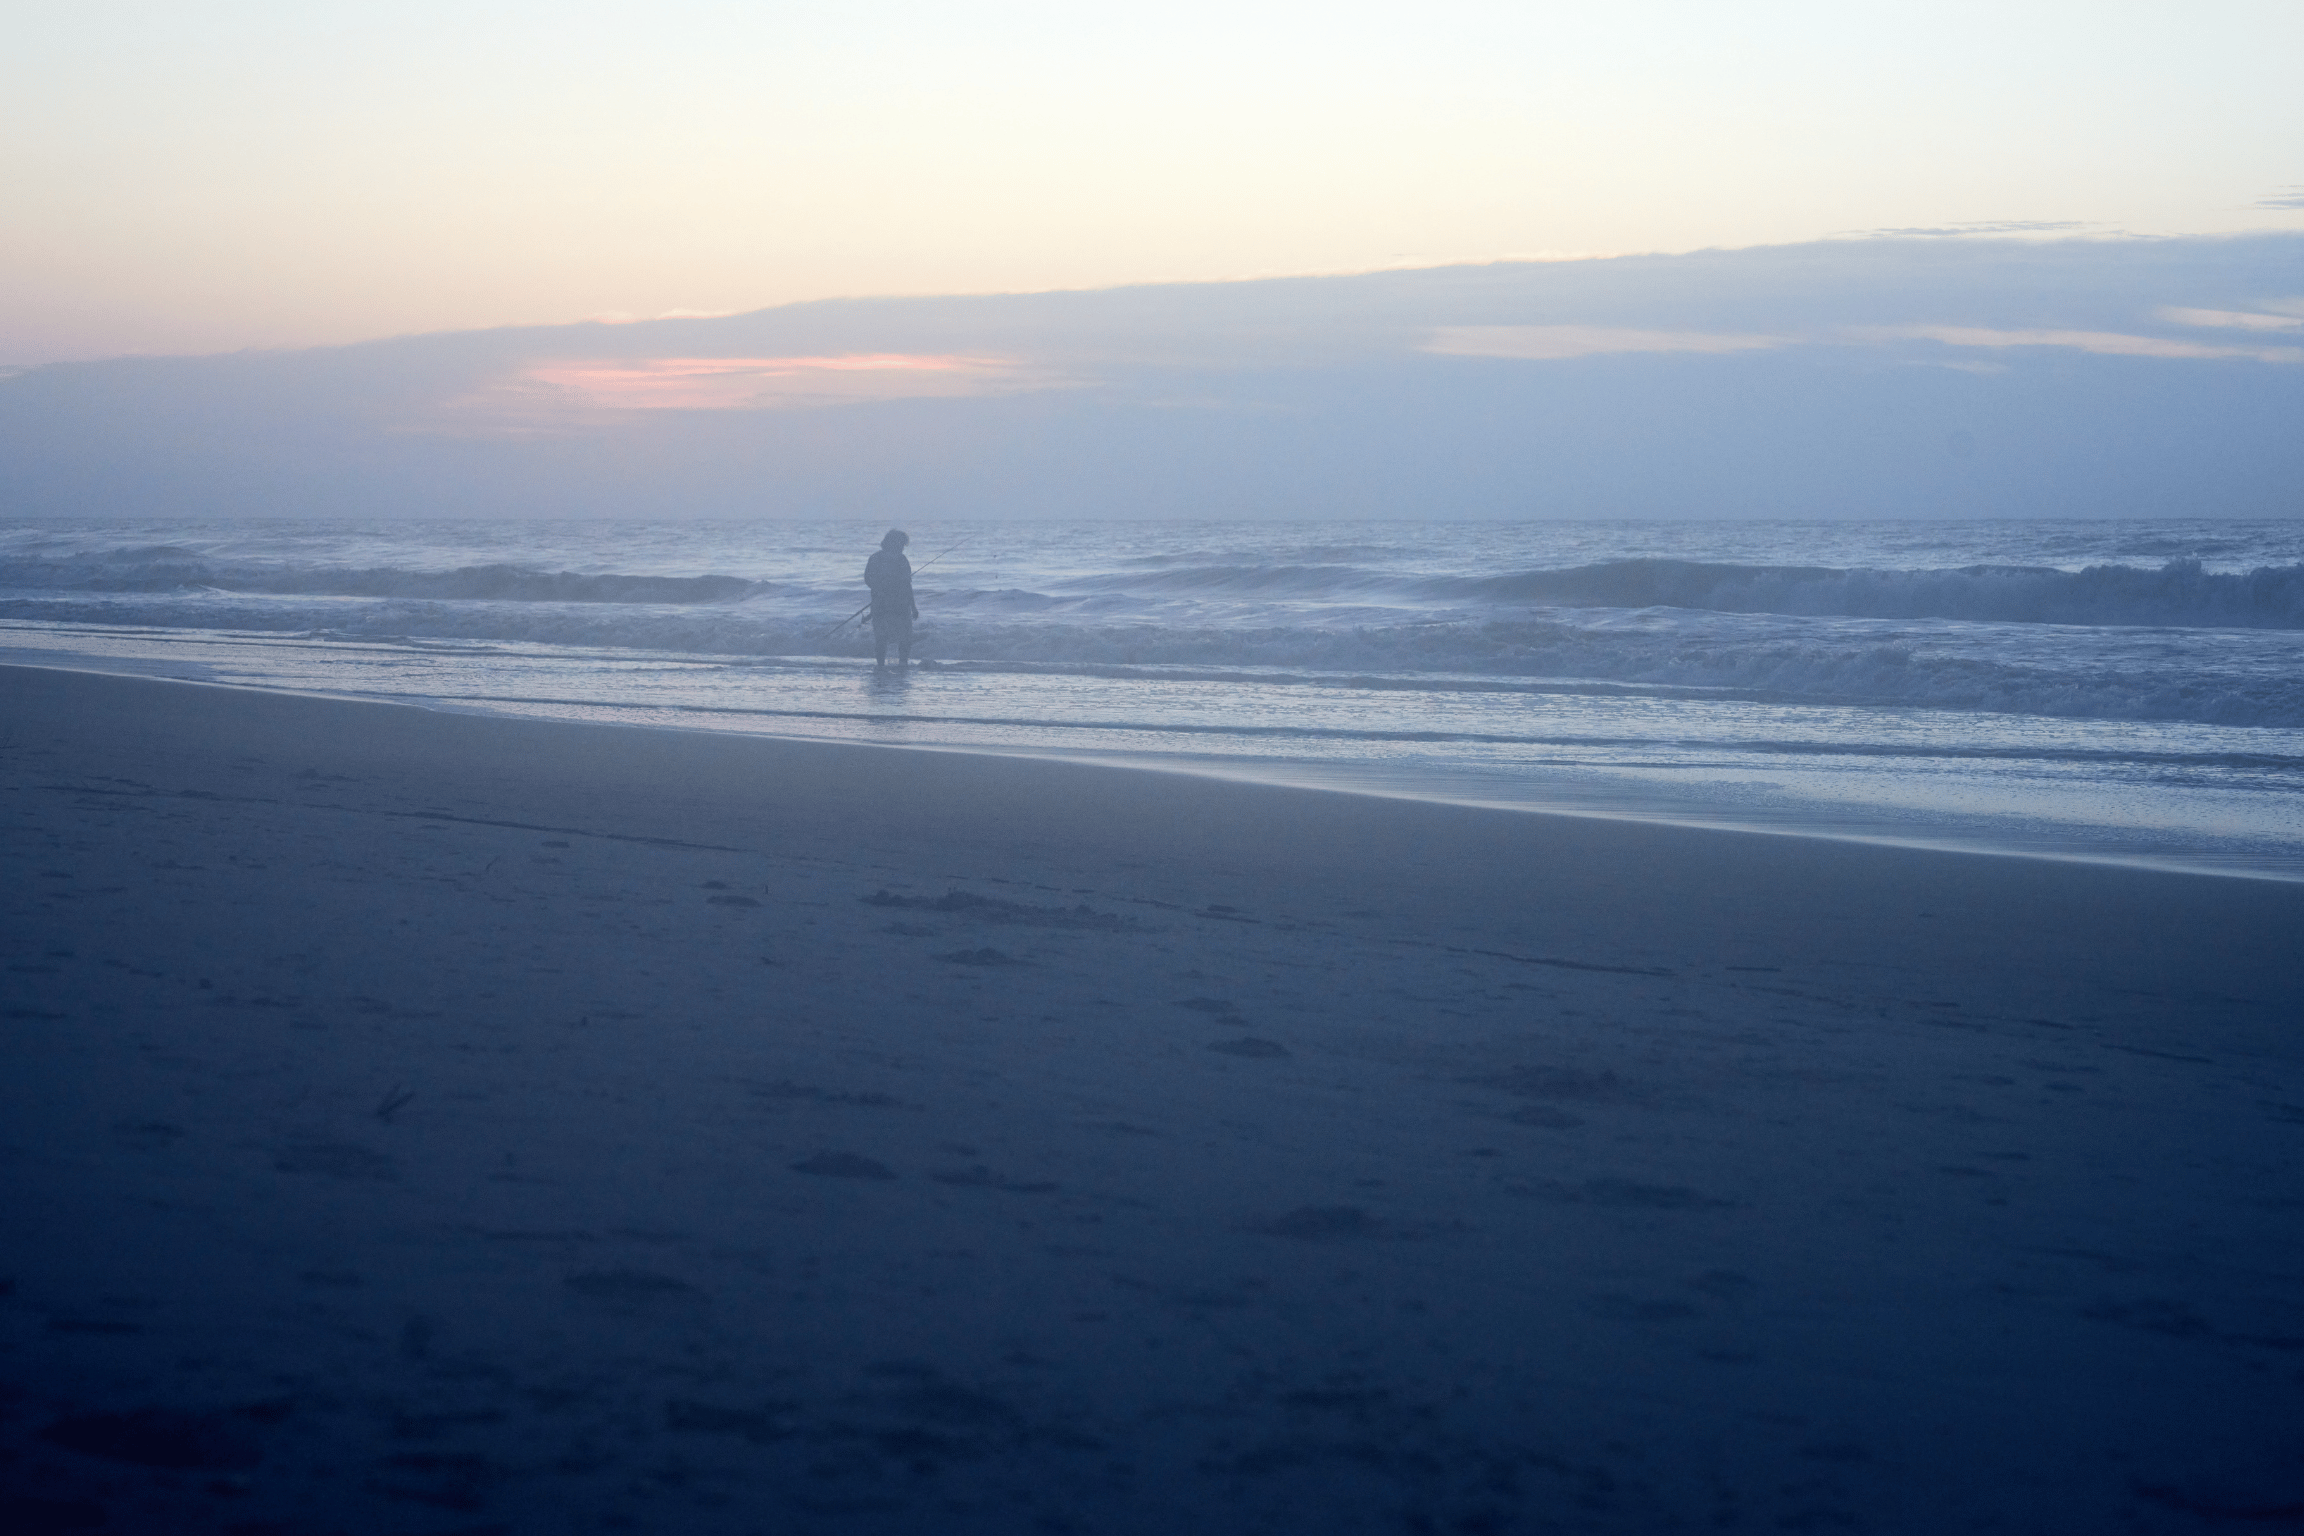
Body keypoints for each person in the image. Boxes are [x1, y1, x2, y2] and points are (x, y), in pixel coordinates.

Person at [863, 529, 919, 667]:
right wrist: (881, 589)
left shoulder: (901, 560)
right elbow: (869, 579)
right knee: (883, 638)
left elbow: (907, 585)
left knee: (903, 638)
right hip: (883, 604)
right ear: (891, 543)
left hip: (897, 605)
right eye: (900, 544)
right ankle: (883, 666)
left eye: (903, 545)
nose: (902, 548)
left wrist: (913, 607)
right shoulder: (877, 559)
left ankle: (900, 664)